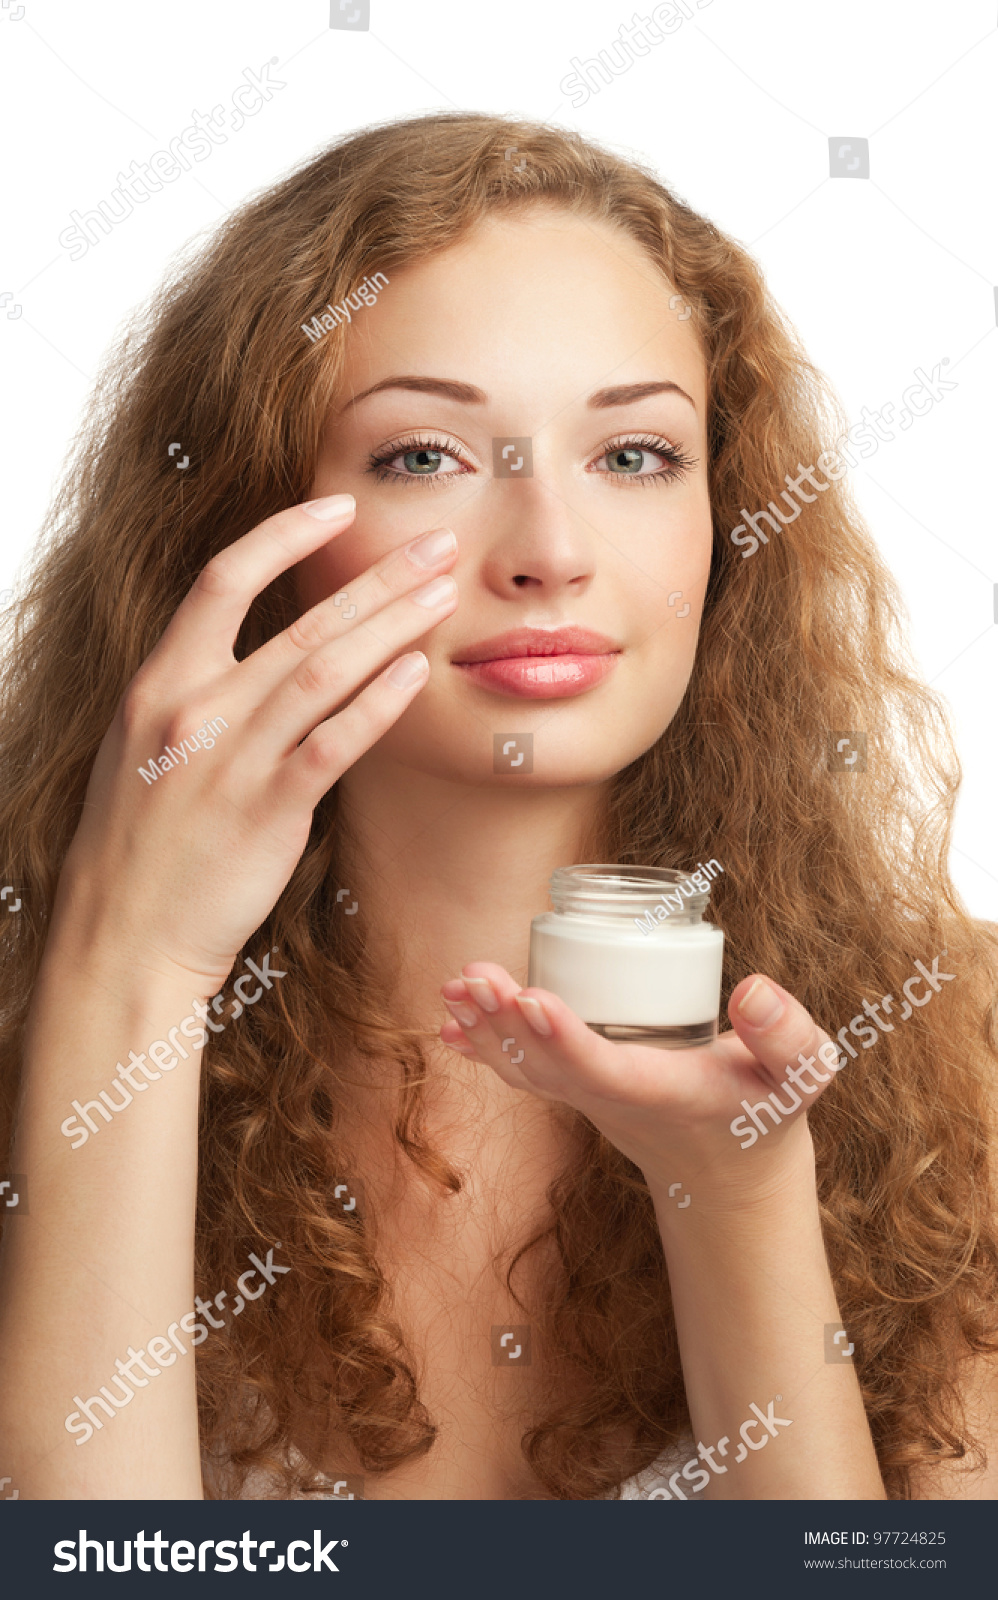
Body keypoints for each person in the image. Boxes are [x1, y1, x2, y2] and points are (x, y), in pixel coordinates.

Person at [0, 111, 995, 1503]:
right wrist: (127, 971)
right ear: (242, 526)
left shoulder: (962, 1055)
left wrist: (739, 1199)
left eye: (633, 456)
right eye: (425, 456)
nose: (549, 554)